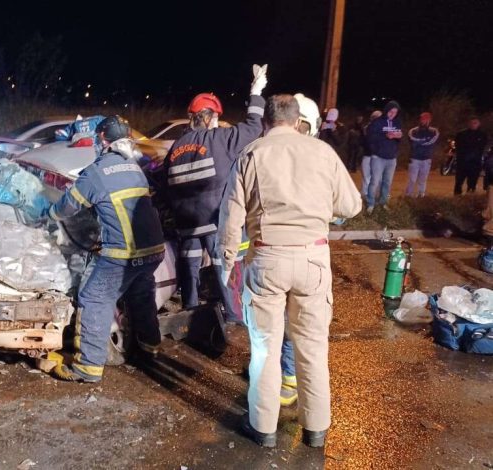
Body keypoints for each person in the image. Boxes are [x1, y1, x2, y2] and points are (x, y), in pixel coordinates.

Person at [220, 94, 362, 448]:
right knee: (313, 347)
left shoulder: (252, 153)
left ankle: (263, 428)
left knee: (266, 348)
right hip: (313, 261)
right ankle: (316, 430)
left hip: (267, 259)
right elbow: (350, 205)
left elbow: (231, 216)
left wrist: (225, 261)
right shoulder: (323, 153)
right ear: (299, 122)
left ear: (266, 122)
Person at [48, 116, 165, 383]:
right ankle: (150, 347)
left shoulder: (97, 172)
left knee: (93, 298)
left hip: (123, 254)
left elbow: (67, 208)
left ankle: (87, 367)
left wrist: (49, 213)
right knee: (141, 295)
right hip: (153, 250)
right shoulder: (134, 167)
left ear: (103, 139)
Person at [160, 64, 267, 323]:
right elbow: (254, 127)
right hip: (214, 219)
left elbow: (164, 183)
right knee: (227, 263)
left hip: (186, 224)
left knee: (190, 265)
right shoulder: (218, 138)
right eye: (217, 117)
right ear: (209, 117)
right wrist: (256, 92)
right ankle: (233, 314)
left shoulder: (177, 145)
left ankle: (192, 313)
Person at [366, 101, 403, 213]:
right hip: (378, 157)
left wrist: (399, 136)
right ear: (387, 110)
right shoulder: (377, 122)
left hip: (391, 158)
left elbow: (399, 138)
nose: (392, 114)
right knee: (375, 181)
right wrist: (385, 136)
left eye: (395, 112)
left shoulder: (397, 123)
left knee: (387, 182)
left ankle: (383, 203)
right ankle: (370, 203)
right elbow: (370, 138)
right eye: (391, 111)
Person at [406, 112, 440, 197]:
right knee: (412, 180)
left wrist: (419, 142)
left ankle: (421, 196)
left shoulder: (434, 131)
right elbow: (412, 141)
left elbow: (431, 142)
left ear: (429, 120)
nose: (424, 121)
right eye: (422, 119)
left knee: (423, 180)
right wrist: (424, 141)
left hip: (426, 159)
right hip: (414, 158)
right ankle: (408, 196)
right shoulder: (413, 131)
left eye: (426, 119)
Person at [454, 117, 489, 195]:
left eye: (475, 123)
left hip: (475, 163)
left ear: (479, 124)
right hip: (462, 162)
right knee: (459, 182)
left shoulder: (482, 135)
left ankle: (470, 198)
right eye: (471, 123)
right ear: (468, 123)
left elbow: (483, 147)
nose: (473, 125)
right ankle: (456, 199)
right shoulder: (461, 134)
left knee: (472, 183)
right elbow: (458, 146)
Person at [360, 110, 382, 200]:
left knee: (378, 178)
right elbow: (366, 141)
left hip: (378, 157)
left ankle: (377, 196)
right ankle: (365, 195)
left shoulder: (382, 129)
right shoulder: (367, 128)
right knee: (367, 178)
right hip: (368, 156)